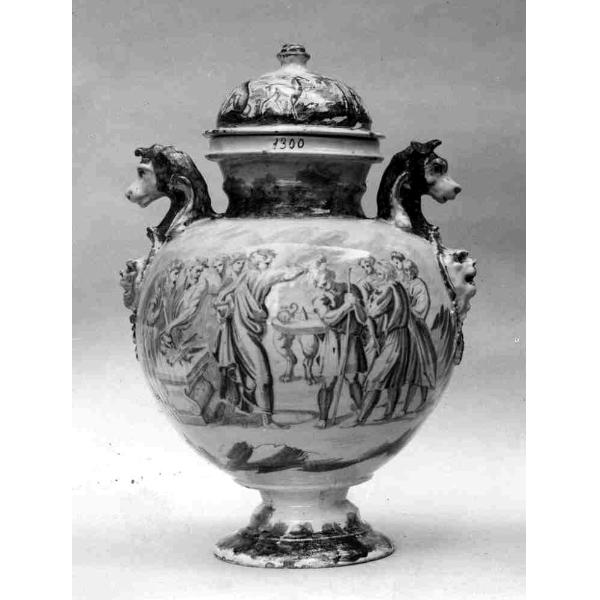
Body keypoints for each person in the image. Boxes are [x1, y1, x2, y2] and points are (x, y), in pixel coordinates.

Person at [228, 249, 306, 427]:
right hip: (243, 332)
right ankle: (266, 420)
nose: (269, 266)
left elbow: (226, 293)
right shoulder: (259, 276)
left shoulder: (247, 276)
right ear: (258, 263)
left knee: (252, 374)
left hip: (246, 330)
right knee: (262, 375)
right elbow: (284, 275)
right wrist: (304, 268)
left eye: (270, 263)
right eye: (267, 262)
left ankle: (252, 409)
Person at [353, 260, 412, 425]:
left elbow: (372, 312)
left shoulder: (389, 288)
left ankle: (361, 418)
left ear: (386, 274)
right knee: (394, 378)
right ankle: (388, 414)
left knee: (375, 378)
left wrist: (359, 302)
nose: (377, 277)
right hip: (401, 336)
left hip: (393, 337)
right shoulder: (399, 287)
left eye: (379, 274)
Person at [312, 267, 368, 427]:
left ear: (332, 276)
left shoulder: (351, 289)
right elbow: (329, 319)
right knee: (329, 381)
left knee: (352, 378)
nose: (323, 287)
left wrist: (356, 304)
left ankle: (362, 413)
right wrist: (346, 306)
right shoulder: (320, 297)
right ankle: (323, 418)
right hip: (333, 340)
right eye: (319, 285)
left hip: (351, 338)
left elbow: (363, 318)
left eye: (325, 283)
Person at [401, 260, 437, 414]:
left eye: (410, 270)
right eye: (405, 270)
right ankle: (406, 405)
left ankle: (420, 401)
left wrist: (408, 307)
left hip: (416, 328)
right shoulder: (404, 283)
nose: (407, 273)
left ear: (414, 270)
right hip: (406, 326)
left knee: (421, 363)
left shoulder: (419, 285)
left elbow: (421, 307)